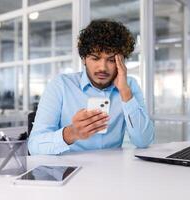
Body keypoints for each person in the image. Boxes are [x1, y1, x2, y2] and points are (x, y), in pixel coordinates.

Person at [28, 19, 154, 155]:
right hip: (69, 170)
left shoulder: (129, 86)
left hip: (113, 171)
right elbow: (34, 146)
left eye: (111, 60)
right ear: (83, 58)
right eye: (95, 58)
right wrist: (72, 133)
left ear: (122, 61)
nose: (102, 68)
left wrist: (125, 92)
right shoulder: (60, 85)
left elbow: (144, 141)